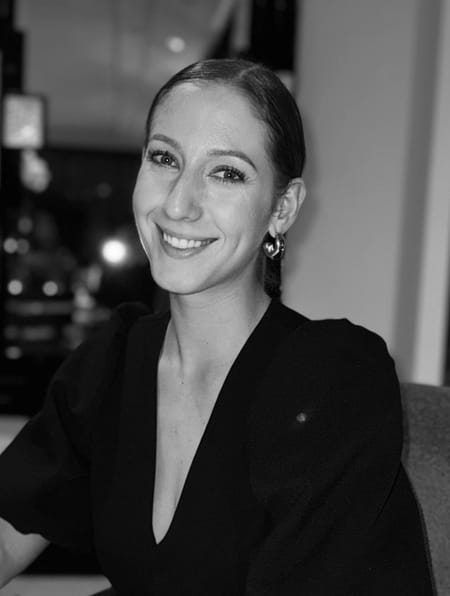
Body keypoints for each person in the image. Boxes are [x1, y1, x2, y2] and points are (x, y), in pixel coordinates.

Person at [0, 59, 433, 595]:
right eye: (164, 159)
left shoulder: (333, 381)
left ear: (282, 208)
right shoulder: (112, 363)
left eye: (226, 173)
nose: (178, 204)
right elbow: (8, 532)